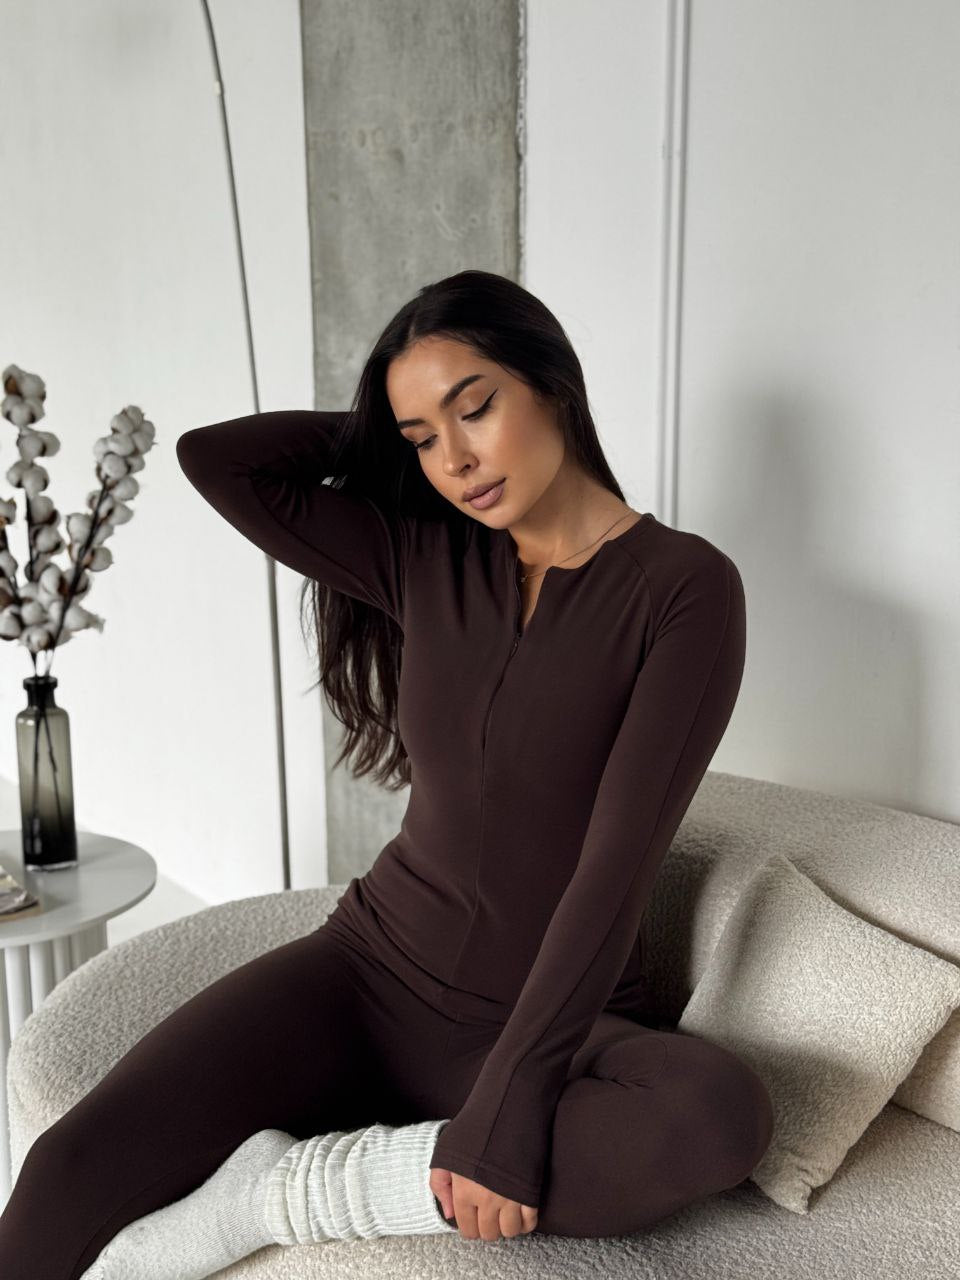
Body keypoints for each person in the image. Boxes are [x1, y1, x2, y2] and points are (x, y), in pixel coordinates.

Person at [0, 269, 773, 1280]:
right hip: (368, 972)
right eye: (420, 439)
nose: (454, 459)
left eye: (476, 407)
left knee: (717, 1115)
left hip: (543, 1016)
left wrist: (513, 1092)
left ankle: (292, 1191)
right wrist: (383, 425)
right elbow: (217, 462)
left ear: (554, 382)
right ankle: (342, 1161)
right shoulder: (427, 550)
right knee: (69, 1164)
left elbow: (614, 867)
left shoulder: (684, 588)